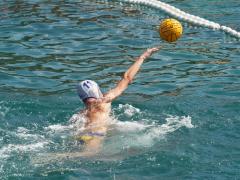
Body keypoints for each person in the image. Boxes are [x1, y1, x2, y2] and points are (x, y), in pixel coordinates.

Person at [56, 47, 160, 159]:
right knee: (89, 155)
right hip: (95, 134)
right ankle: (52, 157)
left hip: (82, 135)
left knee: (80, 150)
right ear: (97, 90)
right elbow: (127, 78)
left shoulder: (81, 113)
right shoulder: (103, 101)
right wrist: (142, 57)